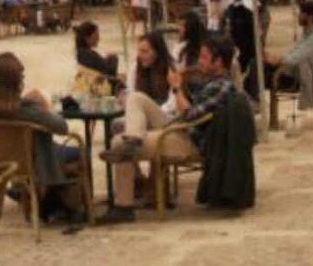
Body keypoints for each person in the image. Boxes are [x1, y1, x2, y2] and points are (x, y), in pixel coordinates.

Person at [99, 36, 237, 224]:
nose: (199, 61)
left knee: (118, 141)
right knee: (135, 99)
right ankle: (133, 140)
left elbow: (190, 115)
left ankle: (124, 207)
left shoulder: (221, 86)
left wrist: (177, 88)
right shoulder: (213, 82)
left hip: (187, 138)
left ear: (218, 61)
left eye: (204, 57)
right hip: (178, 127)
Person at [0, 53, 83, 224]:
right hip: (36, 162)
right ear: (15, 81)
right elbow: (61, 127)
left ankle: (35, 197)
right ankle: (72, 206)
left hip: (2, 163)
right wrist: (44, 108)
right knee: (81, 150)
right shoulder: (24, 109)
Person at [268, 1, 313, 96]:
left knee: (257, 70)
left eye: (301, 14)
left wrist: (277, 60)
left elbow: (296, 58)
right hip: (291, 71)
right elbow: (295, 51)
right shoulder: (310, 31)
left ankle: (253, 100)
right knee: (257, 64)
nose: (299, 17)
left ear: (310, 17)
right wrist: (274, 58)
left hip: (297, 78)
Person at [73, 22, 119, 93]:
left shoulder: (81, 53)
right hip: (102, 86)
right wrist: (114, 59)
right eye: (96, 35)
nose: (98, 38)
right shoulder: (90, 54)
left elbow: (98, 67)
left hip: (93, 83)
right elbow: (107, 72)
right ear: (87, 38)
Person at [132, 32, 176, 101]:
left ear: (157, 52)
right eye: (139, 51)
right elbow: (132, 93)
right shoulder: (135, 67)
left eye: (144, 51)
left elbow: (173, 99)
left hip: (164, 106)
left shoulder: (169, 69)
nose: (140, 55)